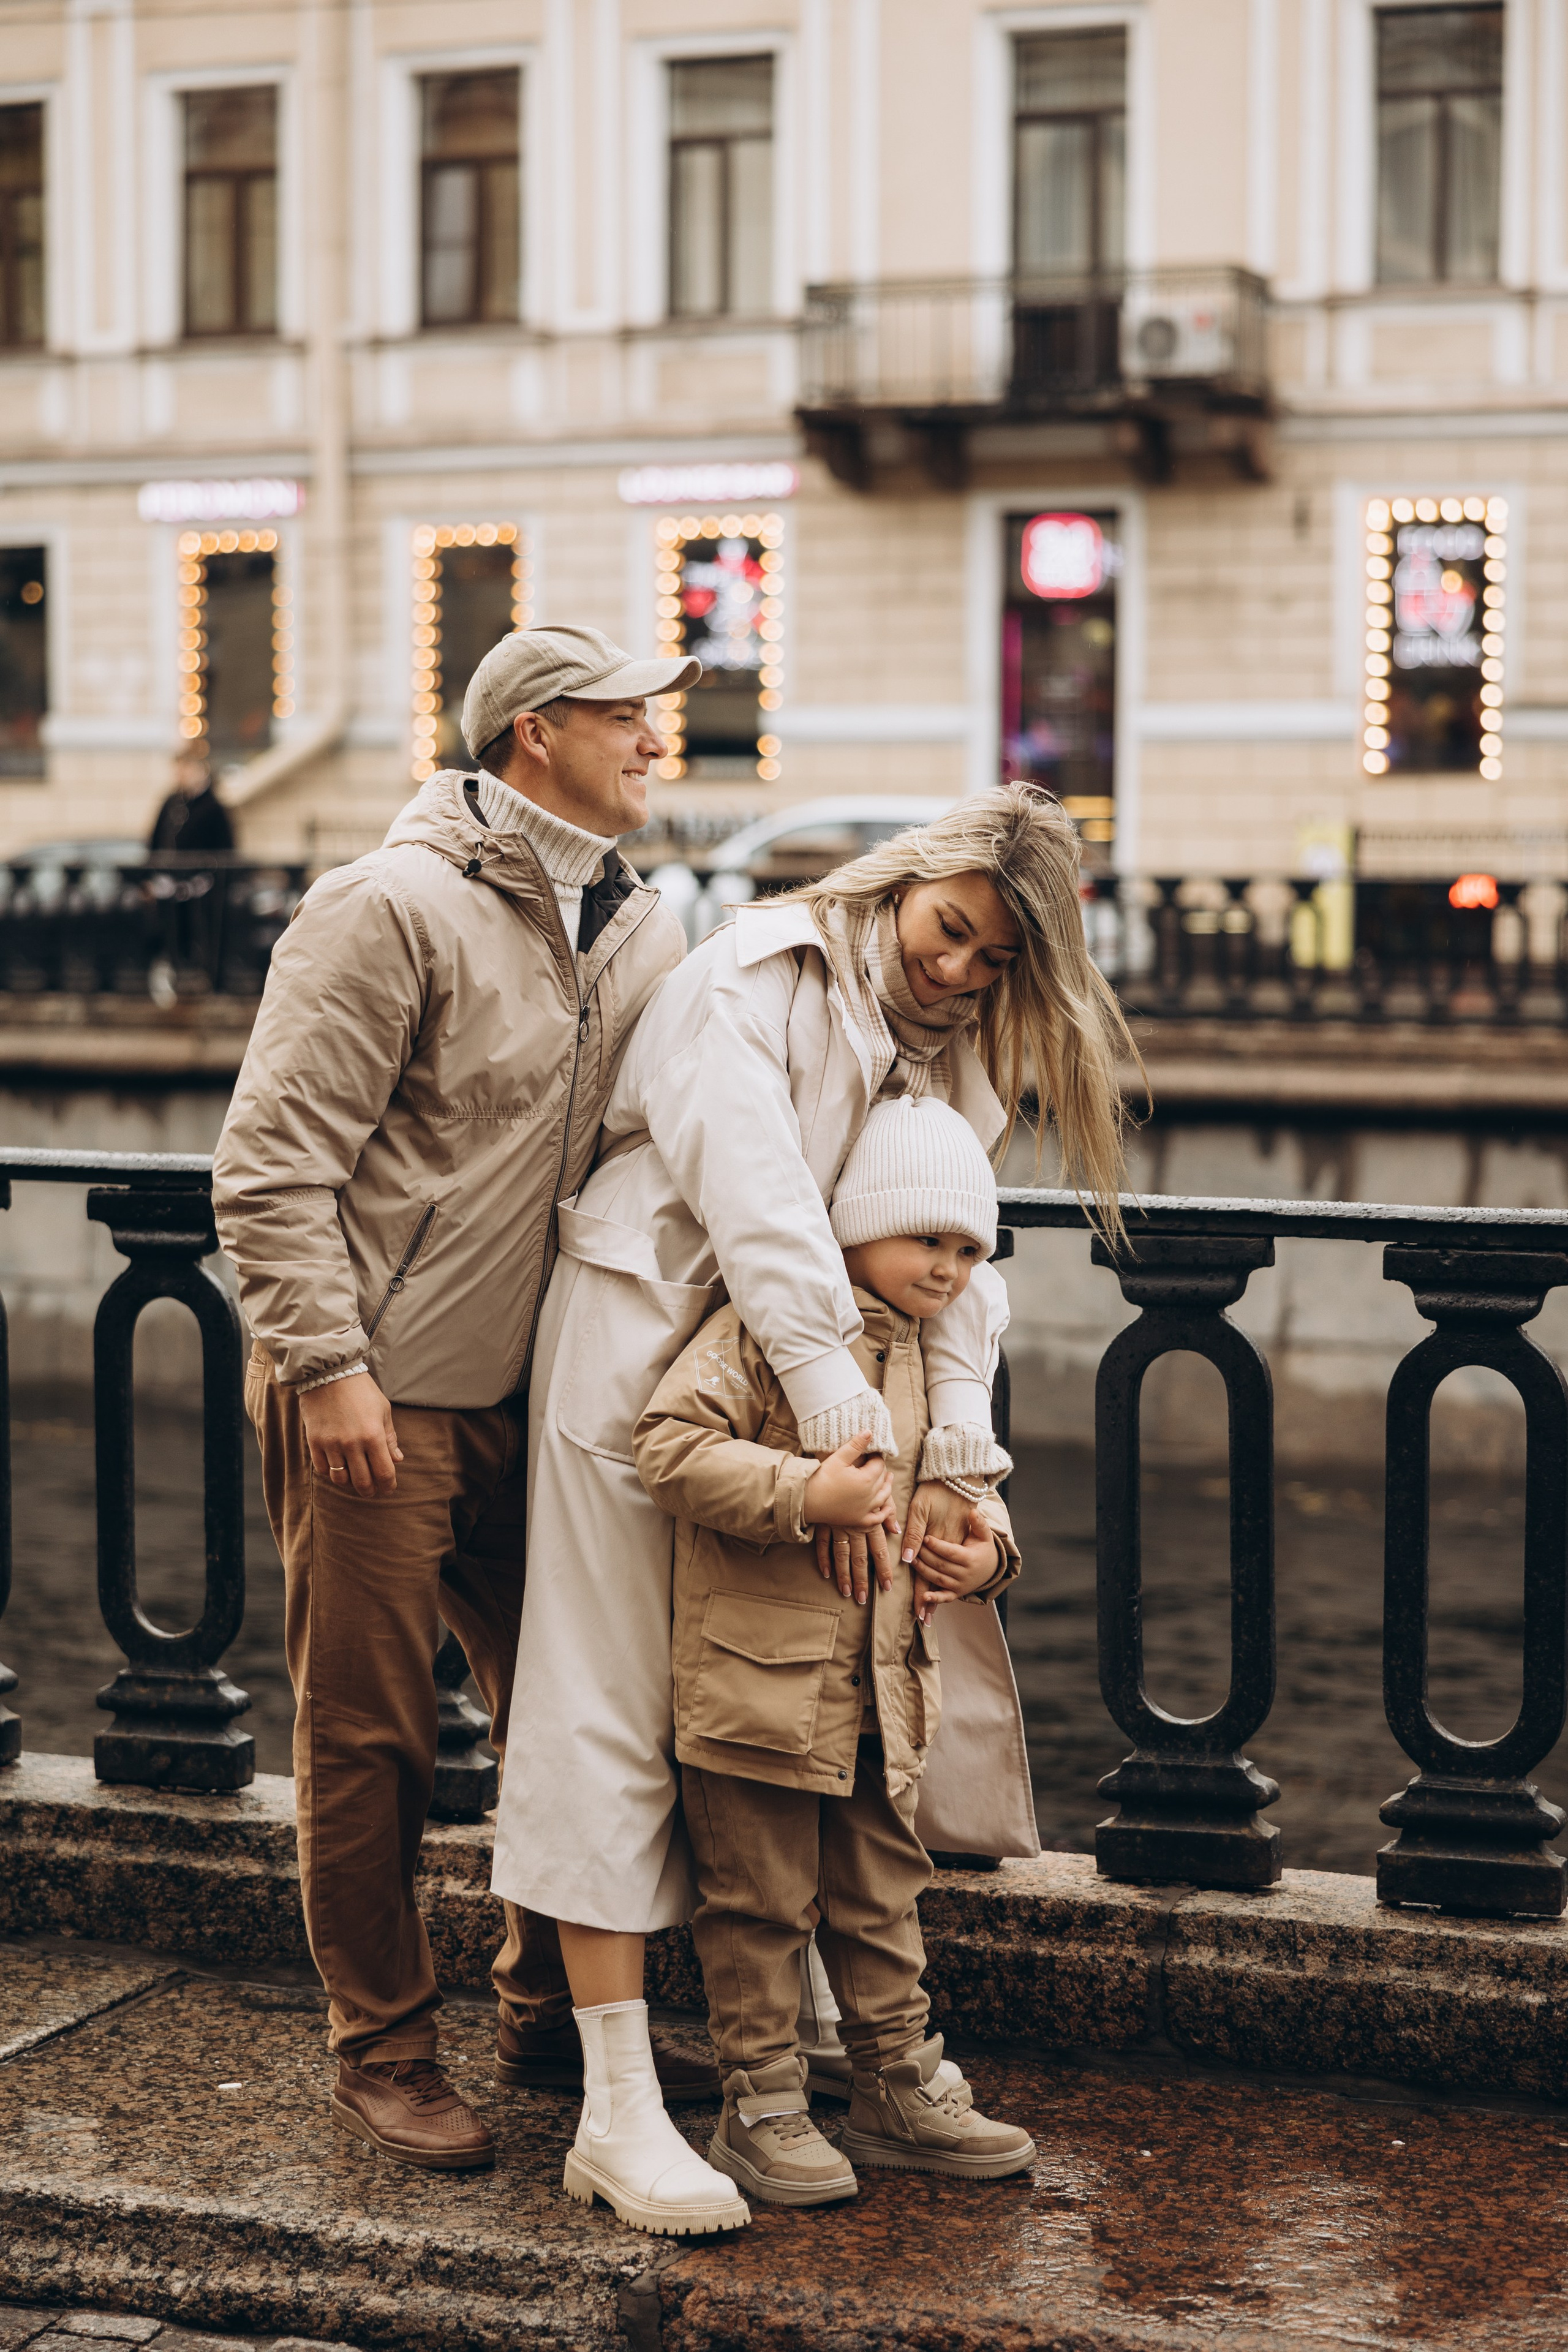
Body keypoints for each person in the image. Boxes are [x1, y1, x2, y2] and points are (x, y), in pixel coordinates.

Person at [492, 780, 1136, 2232]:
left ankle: (797, 2064)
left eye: (994, 962)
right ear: (913, 877)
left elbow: (956, 1258)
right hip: (644, 1347)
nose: (961, 971)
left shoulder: (952, 1046)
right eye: (953, 932)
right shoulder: (755, 975)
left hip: (810, 1397)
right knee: (604, 1710)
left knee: (791, 1709)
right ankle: (618, 2103)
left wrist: (954, 1466)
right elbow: (765, 1207)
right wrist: (853, 1432)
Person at [211, 624, 720, 2176]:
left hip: (543, 1388)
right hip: (375, 1387)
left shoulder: (639, 925)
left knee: (576, 1713)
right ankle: (381, 2046)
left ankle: (549, 2009)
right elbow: (270, 1167)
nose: (654, 742)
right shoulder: (385, 906)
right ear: (529, 736)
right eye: (624, 717)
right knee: (372, 1735)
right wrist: (329, 1365)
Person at [630, 1096, 1038, 2211]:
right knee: (757, 1904)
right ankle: (759, 2104)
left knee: (882, 1893)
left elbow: (970, 1503)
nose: (951, 1268)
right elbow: (664, 1447)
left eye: (968, 1250)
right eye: (928, 1241)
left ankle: (896, 2080)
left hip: (879, 1693)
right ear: (852, 1225)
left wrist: (984, 1562)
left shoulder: (931, 1366)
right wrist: (801, 1492)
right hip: (755, 1689)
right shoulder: (768, 1332)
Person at [149, 744, 236, 853]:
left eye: (186, 769)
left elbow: (226, 848)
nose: (181, 776)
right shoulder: (172, 803)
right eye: (179, 771)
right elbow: (156, 840)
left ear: (200, 770)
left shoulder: (213, 808)